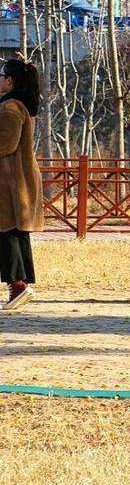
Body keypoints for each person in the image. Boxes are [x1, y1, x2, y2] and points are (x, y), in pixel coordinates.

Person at [0, 57, 41, 312]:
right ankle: (21, 285)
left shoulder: (10, 109)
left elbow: (6, 144)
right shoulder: (18, 106)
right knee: (15, 232)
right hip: (17, 180)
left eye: (1, 75)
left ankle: (17, 286)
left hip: (9, 182)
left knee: (5, 233)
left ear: (10, 81)